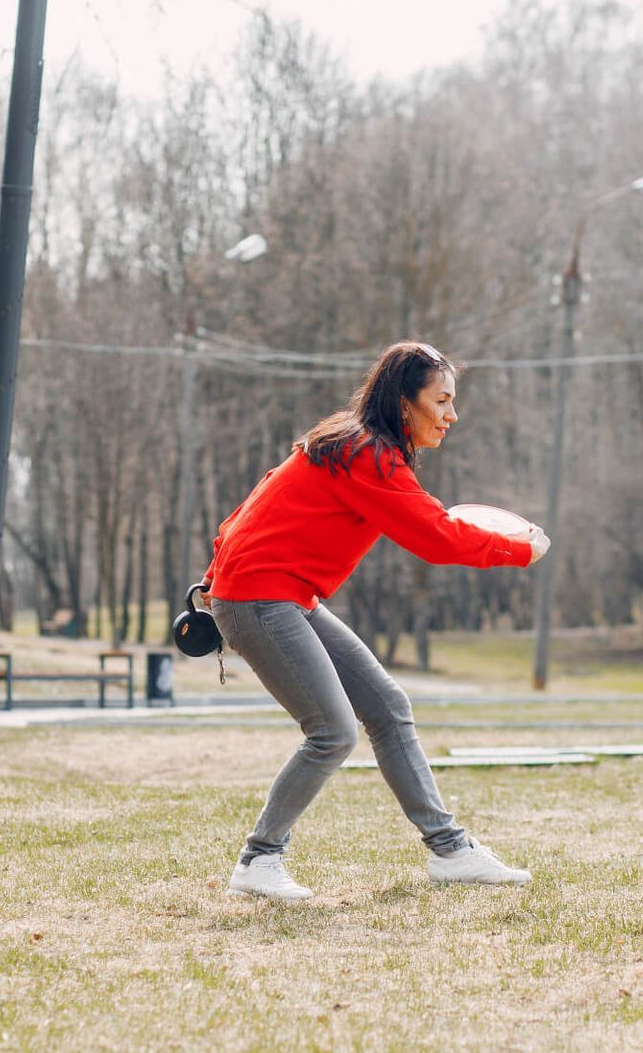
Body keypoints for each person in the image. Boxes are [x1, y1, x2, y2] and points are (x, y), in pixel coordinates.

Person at [198, 341, 550, 901]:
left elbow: (247, 511)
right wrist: (516, 551)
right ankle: (259, 859)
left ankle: (451, 851)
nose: (452, 415)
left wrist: (217, 572)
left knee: (387, 708)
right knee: (332, 732)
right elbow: (434, 535)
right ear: (405, 403)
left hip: (284, 595)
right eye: (442, 400)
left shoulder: (351, 444)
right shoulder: (366, 454)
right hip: (260, 598)